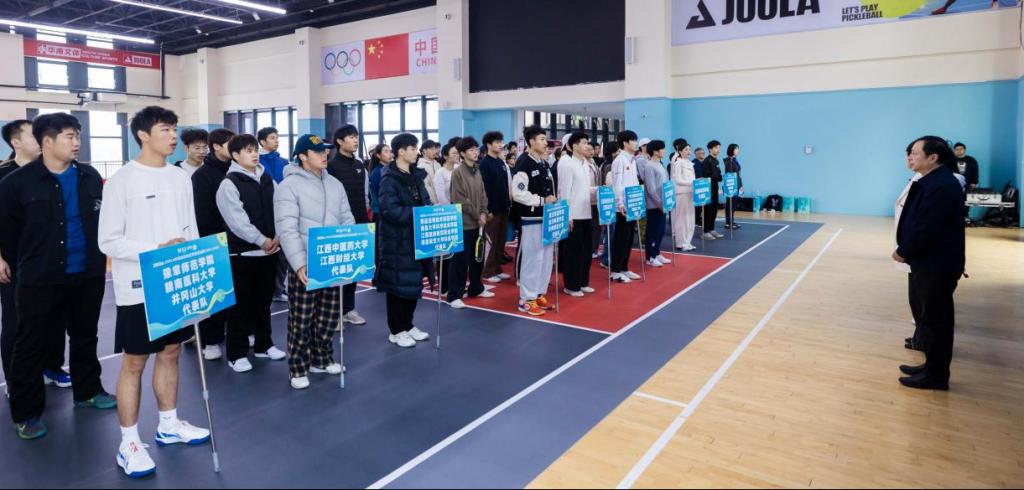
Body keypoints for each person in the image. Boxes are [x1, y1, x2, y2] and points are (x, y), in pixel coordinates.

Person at [98, 106, 210, 477]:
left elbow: (190, 228)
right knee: (135, 362)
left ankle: (169, 423)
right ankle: (129, 442)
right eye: (165, 129)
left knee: (172, 352)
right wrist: (155, 250)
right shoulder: (122, 181)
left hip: (175, 284)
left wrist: (195, 267)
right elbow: (108, 241)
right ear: (143, 135)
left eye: (174, 129)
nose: (173, 136)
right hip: (138, 287)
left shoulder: (180, 177)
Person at [0, 113, 115, 440]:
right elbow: (6, 231)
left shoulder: (89, 176)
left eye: (78, 135)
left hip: (88, 271)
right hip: (40, 276)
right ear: (47, 141)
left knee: (85, 335)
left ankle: (88, 391)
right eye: (69, 136)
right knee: (30, 343)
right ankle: (27, 413)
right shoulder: (16, 183)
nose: (77, 142)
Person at [274, 134, 352, 389]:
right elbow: (286, 228)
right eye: (318, 152)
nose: (324, 155)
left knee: (328, 315)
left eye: (325, 151)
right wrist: (298, 263)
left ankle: (322, 358)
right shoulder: (288, 186)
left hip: (331, 260)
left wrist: (350, 249)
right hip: (305, 261)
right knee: (302, 317)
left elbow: (346, 218)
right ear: (303, 156)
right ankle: (298, 368)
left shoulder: (334, 183)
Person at [1, 119, 71, 392]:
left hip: (52, 259)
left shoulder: (53, 172)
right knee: (17, 323)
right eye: (33, 135)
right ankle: (15, 380)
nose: (41, 139)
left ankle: (52, 367)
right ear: (16, 142)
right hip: (15, 263)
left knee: (55, 318)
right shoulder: (5, 175)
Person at [893, 136, 965, 391]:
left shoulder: (941, 185)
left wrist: (904, 250)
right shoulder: (933, 181)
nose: (910, 157)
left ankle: (936, 375)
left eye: (915, 152)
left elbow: (927, 226)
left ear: (933, 157)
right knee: (930, 318)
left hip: (937, 264)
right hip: (930, 262)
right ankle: (931, 366)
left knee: (937, 321)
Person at [216, 134, 287, 373]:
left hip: (269, 251)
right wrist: (261, 240)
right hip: (242, 255)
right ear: (235, 156)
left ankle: (264, 345)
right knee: (240, 307)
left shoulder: (267, 178)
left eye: (255, 149)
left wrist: (277, 236)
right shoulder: (229, 184)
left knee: (263, 303)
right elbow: (237, 222)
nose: (254, 154)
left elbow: (280, 207)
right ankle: (236, 353)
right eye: (248, 151)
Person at [376, 133, 432, 348]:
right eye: (412, 148)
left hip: (416, 239)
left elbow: (425, 201)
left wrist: (429, 211)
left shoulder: (416, 176)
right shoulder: (389, 179)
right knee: (397, 287)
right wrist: (419, 214)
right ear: (401, 151)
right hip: (397, 242)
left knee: (413, 284)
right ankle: (396, 330)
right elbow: (390, 211)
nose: (416, 152)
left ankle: (408, 325)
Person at [191, 128, 235, 361]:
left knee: (236, 293)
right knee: (215, 294)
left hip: (239, 241)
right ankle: (210, 340)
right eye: (230, 143)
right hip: (214, 241)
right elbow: (203, 214)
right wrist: (217, 239)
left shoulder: (237, 170)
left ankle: (236, 333)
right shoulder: (202, 176)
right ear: (216, 147)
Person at [326, 124, 370, 327]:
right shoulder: (332, 166)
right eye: (351, 137)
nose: (355, 140)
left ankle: (349, 309)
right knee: (338, 270)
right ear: (339, 141)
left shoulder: (360, 165)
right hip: (339, 224)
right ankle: (334, 313)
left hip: (359, 221)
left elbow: (364, 194)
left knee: (354, 268)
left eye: (356, 137)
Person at [512, 126, 558, 316]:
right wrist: (541, 201)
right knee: (532, 259)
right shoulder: (524, 163)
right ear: (531, 141)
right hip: (531, 218)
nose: (545, 143)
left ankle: (539, 293)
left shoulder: (544, 163)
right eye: (541, 139)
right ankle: (526, 299)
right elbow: (518, 193)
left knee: (545, 259)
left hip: (546, 217)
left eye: (545, 139)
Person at [447, 136, 494, 308]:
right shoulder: (458, 172)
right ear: (462, 153)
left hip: (479, 223)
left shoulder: (477, 169)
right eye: (471, 150)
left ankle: (476, 288)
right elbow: (459, 199)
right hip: (464, 223)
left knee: (477, 258)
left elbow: (483, 194)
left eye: (476, 149)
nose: (475, 152)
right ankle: (454, 295)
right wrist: (477, 215)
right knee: (460, 260)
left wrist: (484, 212)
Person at [557, 132, 596, 297]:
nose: (587, 146)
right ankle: (571, 286)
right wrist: (567, 216)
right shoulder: (567, 163)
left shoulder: (585, 164)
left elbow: (584, 189)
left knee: (586, 251)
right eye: (584, 143)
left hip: (586, 213)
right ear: (573, 146)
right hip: (574, 216)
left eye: (588, 143)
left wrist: (599, 190)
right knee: (573, 252)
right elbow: (563, 192)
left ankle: (583, 282)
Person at [257, 127, 290, 303]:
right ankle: (267, 291)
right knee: (269, 255)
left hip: (284, 211)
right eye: (272, 138)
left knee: (284, 255)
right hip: (266, 213)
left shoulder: (284, 162)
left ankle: (278, 290)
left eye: (277, 137)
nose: (276, 141)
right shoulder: (256, 162)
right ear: (262, 142)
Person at [479, 131, 513, 284]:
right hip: (492, 210)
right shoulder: (485, 164)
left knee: (500, 241)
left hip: (504, 207)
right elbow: (484, 190)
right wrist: (488, 210)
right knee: (492, 241)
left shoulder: (500, 162)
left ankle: (497, 268)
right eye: (497, 142)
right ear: (489, 145)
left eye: (501, 142)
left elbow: (504, 186)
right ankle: (487, 271)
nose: (500, 145)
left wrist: (508, 204)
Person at [610, 130, 642, 283]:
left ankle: (624, 267)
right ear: (625, 143)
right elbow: (617, 185)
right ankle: (615, 271)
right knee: (621, 238)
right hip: (622, 207)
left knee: (629, 238)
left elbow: (634, 182)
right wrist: (620, 203)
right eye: (633, 141)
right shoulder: (619, 160)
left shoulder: (632, 160)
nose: (636, 143)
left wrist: (637, 202)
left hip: (632, 204)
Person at [641, 140, 671, 267]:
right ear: (655, 151)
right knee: (652, 231)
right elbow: (651, 189)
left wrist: (667, 200)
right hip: (654, 205)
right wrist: (659, 203)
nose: (664, 151)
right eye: (662, 149)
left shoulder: (660, 164)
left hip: (663, 203)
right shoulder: (649, 166)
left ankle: (657, 252)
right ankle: (650, 257)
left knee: (660, 230)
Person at [670, 139, 697, 252]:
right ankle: (681, 242)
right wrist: (692, 183)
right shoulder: (678, 162)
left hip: (690, 193)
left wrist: (696, 184)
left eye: (689, 149)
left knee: (690, 218)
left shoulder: (689, 163)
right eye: (686, 149)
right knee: (682, 219)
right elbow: (678, 180)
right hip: (681, 193)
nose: (688, 151)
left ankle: (688, 241)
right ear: (680, 151)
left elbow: (693, 178)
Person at [701, 141, 724, 240]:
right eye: (716, 148)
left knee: (714, 209)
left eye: (719, 148)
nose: (718, 150)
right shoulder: (707, 161)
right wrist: (716, 177)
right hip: (708, 189)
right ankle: (705, 231)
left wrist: (718, 177)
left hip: (715, 188)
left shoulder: (716, 161)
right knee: (708, 210)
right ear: (710, 149)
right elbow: (707, 176)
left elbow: (719, 176)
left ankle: (712, 229)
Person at [367, 143, 392, 219]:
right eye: (386, 151)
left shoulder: (390, 169)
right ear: (378, 155)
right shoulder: (377, 172)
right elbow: (381, 192)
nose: (389, 154)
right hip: (381, 211)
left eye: (390, 151)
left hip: (389, 209)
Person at [723, 143, 744, 230]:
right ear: (731, 150)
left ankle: (731, 221)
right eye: (736, 149)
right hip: (732, 186)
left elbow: (738, 174)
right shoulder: (730, 161)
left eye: (738, 149)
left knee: (734, 204)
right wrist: (733, 187)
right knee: (730, 204)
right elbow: (730, 175)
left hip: (737, 185)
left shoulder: (734, 159)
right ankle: (728, 222)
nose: (738, 150)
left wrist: (740, 185)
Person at [418, 140, 442, 205]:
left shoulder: (438, 164)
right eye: (432, 149)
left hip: (442, 202)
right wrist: (433, 202)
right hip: (432, 204)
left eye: (435, 149)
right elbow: (426, 187)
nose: (434, 151)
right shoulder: (421, 166)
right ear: (424, 150)